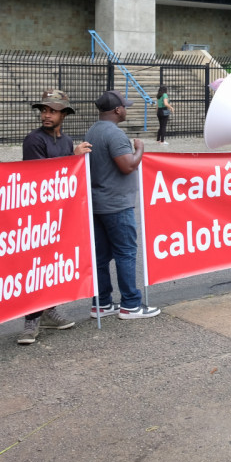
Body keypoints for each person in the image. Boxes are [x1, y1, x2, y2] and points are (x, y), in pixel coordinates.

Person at [17, 89, 91, 345]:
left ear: (64, 114)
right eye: (44, 110)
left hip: (59, 214)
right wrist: (73, 157)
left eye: (52, 110)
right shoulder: (34, 140)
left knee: (53, 265)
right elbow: (40, 176)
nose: (46, 115)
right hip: (37, 216)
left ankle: (48, 311)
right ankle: (30, 322)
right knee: (36, 266)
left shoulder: (65, 140)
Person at [85, 90, 161, 319]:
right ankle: (130, 304)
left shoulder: (93, 130)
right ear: (117, 110)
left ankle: (102, 303)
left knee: (100, 256)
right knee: (126, 253)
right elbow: (127, 166)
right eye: (125, 106)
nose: (126, 109)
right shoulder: (115, 135)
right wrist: (140, 149)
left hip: (97, 203)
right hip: (116, 205)